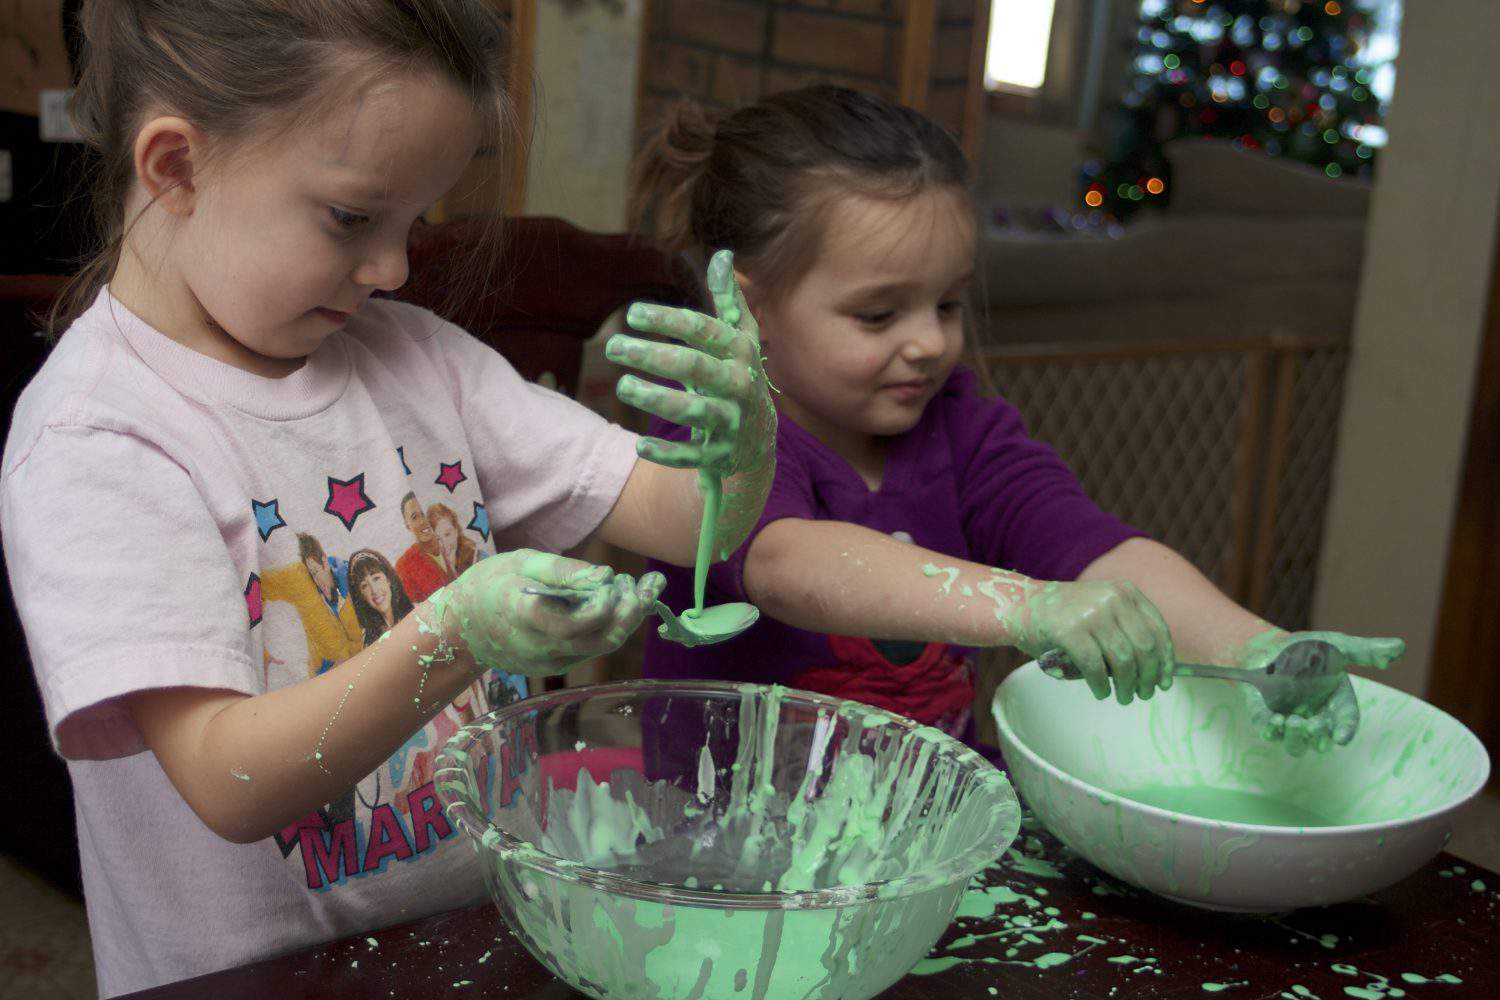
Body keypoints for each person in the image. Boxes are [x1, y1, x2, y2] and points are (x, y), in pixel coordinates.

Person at [0, 3, 773, 995]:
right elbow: (225, 777)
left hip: (483, 948)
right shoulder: (100, 437)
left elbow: (683, 519)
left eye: (416, 222)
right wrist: (456, 630)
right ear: (176, 168)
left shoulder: (422, 362)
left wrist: (743, 446)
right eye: (354, 218)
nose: (395, 268)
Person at [627, 85, 1403, 753]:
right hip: (727, 847)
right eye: (877, 314)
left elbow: (1095, 550)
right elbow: (785, 563)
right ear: (749, 304)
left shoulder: (964, 429)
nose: (930, 341)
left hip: (924, 833)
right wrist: (1026, 606)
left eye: (948, 303)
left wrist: (1255, 650)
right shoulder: (716, 438)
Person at [394, 490, 452, 601]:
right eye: (414, 517)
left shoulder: (454, 542)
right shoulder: (404, 567)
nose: (422, 521)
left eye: (425, 513)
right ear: (407, 524)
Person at [428, 500, 478, 574]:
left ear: (456, 531)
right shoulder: (432, 568)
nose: (445, 545)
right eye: (438, 539)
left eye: (447, 534)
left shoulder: (477, 557)